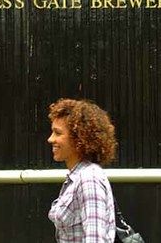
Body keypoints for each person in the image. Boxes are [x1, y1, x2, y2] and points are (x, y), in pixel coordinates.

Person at [47, 98, 117, 243]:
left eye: (57, 133)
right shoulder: (77, 177)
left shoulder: (89, 178)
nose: (50, 139)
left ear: (79, 138)